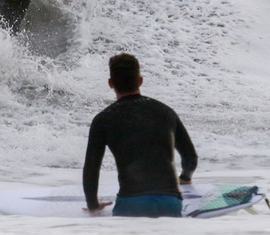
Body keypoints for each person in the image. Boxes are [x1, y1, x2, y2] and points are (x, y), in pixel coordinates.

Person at [83, 53, 198, 217]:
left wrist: (93, 205)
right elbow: (191, 158)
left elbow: (91, 170)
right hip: (170, 202)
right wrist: (185, 178)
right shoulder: (166, 112)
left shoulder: (103, 119)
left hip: (131, 204)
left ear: (110, 83)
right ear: (141, 81)